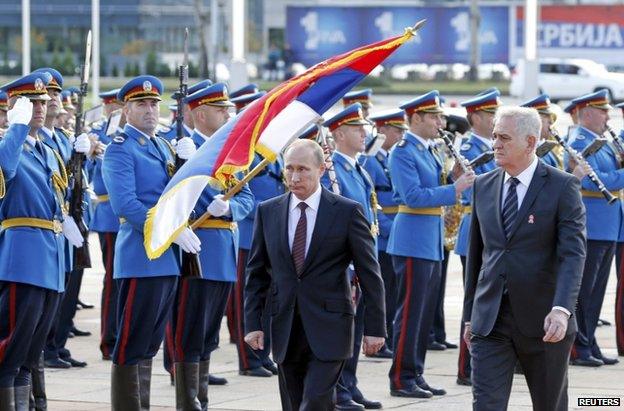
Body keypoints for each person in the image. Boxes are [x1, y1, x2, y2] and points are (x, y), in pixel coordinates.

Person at [244, 139, 386, 411]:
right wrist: (253, 324)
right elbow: (256, 273)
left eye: (303, 169)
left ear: (321, 169)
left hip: (331, 327)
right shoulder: (269, 211)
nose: (294, 177)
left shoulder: (346, 211)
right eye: (289, 169)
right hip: (285, 327)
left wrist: (375, 329)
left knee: (316, 403)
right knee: (294, 404)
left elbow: (370, 274)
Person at [464, 106, 586, 411]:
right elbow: (477, 257)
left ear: (531, 142)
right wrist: (469, 316)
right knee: (486, 405)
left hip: (545, 322)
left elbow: (573, 254)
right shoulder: (483, 185)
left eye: (504, 138)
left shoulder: (562, 186)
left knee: (549, 405)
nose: (495, 144)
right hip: (490, 321)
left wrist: (561, 310)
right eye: (494, 136)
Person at [102, 75, 200, 409]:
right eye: (141, 104)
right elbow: (126, 205)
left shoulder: (162, 145)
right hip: (140, 257)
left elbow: (177, 194)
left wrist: (191, 162)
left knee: (150, 344)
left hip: (166, 259)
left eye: (154, 103)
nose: (149, 110)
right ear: (125, 109)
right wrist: (171, 229)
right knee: (132, 342)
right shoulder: (120, 149)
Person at [170, 83, 254, 410]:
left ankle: (200, 399)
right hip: (196, 250)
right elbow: (172, 198)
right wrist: (185, 167)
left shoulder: (228, 153)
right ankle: (188, 401)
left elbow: (246, 197)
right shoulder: (184, 148)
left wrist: (230, 207)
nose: (227, 115)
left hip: (223, 251)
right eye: (220, 110)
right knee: (190, 332)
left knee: (209, 336)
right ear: (200, 113)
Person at [0, 72, 82, 409]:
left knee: (29, 353)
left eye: (42, 100)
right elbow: (5, 172)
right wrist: (16, 129)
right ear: (14, 107)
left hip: (50, 259)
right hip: (23, 260)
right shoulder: (8, 144)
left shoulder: (45, 150)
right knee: (9, 351)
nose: (41, 106)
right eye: (31, 101)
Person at [387, 91, 474, 399]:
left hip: (430, 238)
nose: (440, 122)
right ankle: (401, 377)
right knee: (409, 312)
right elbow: (413, 196)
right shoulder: (403, 151)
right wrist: (455, 188)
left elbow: (434, 184)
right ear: (416, 119)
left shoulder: (430, 149)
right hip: (412, 237)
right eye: (434, 116)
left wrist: (454, 174)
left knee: (423, 314)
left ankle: (416, 372)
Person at [322, 103, 382, 410]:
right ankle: (339, 391)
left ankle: (350, 384)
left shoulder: (356, 168)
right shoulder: (332, 170)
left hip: (359, 259)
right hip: (342, 261)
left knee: (356, 328)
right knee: (343, 330)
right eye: (357, 129)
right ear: (340, 133)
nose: (364, 133)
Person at [567, 90, 621, 367]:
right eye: (603, 111)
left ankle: (589, 342)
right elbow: (592, 181)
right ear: (587, 112)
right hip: (592, 225)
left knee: (597, 291)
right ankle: (579, 346)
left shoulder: (601, 141)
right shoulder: (579, 142)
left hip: (607, 225)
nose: (608, 116)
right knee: (584, 290)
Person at [454, 89, 500, 385]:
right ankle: (466, 367)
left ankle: (486, 363)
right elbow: (468, 192)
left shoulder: (498, 146)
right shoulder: (469, 148)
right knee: (473, 302)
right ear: (476, 118)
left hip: (496, 229)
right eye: (492, 114)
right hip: (476, 229)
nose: (497, 120)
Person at [361, 109, 407, 360]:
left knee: (392, 291)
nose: (400, 134)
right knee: (381, 292)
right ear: (383, 131)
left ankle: (385, 337)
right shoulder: (369, 160)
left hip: (391, 232)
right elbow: (372, 201)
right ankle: (376, 338)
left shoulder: (386, 157)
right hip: (381, 234)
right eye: (396, 130)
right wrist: (392, 227)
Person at [89, 88, 123, 360]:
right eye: (114, 107)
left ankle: (122, 332)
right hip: (111, 215)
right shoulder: (99, 136)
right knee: (113, 280)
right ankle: (109, 339)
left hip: (125, 215)